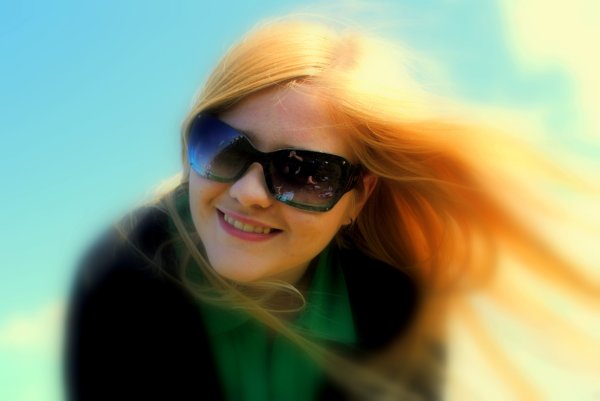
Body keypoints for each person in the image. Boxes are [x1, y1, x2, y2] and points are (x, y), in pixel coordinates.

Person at [63, 15, 599, 401]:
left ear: (356, 199)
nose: (249, 192)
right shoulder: (117, 278)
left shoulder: (399, 313)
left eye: (305, 172)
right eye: (223, 147)